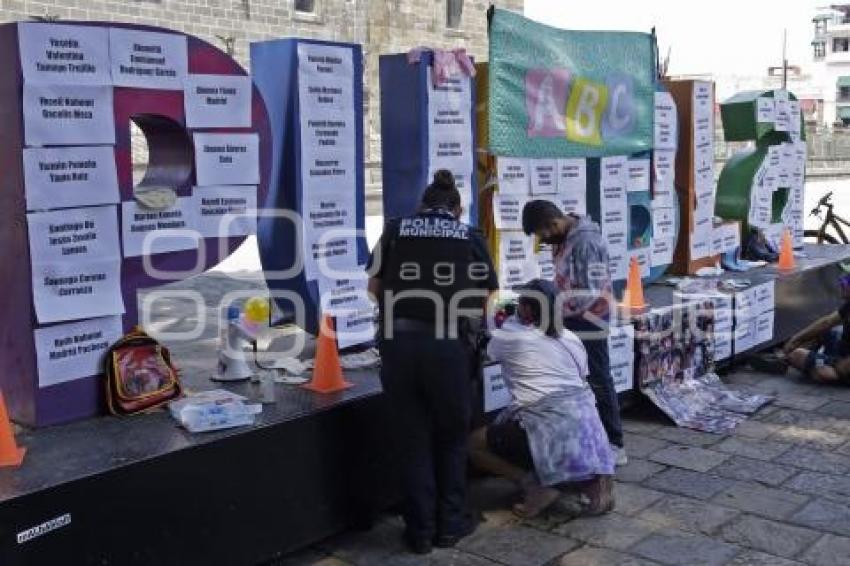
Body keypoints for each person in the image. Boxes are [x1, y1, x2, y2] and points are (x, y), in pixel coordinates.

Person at [367, 170, 499, 555]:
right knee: (451, 438)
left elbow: (373, 290)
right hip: (448, 348)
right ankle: (450, 526)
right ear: (457, 210)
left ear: (422, 206)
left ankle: (420, 532)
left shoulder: (395, 229)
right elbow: (488, 296)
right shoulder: (470, 236)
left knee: (413, 441)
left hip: (399, 345)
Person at [469, 279, 615, 518]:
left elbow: (489, 352)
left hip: (547, 425)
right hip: (589, 430)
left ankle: (535, 485)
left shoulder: (510, 335)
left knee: (473, 444)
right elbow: (581, 377)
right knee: (527, 425)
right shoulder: (571, 337)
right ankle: (592, 482)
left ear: (526, 309)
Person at [521, 200, 627, 465]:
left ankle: (615, 443)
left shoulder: (586, 242)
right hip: (571, 316)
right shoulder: (564, 236)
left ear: (553, 224)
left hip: (591, 318)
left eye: (543, 234)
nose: (543, 241)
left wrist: (554, 311)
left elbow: (588, 293)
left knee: (599, 379)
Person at [783, 273, 850, 384]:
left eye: (845, 284)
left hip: (844, 365)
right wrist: (796, 339)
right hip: (840, 354)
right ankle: (816, 365)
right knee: (821, 331)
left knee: (797, 355)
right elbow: (826, 322)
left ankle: (821, 371)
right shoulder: (848, 305)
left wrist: (837, 372)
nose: (841, 286)